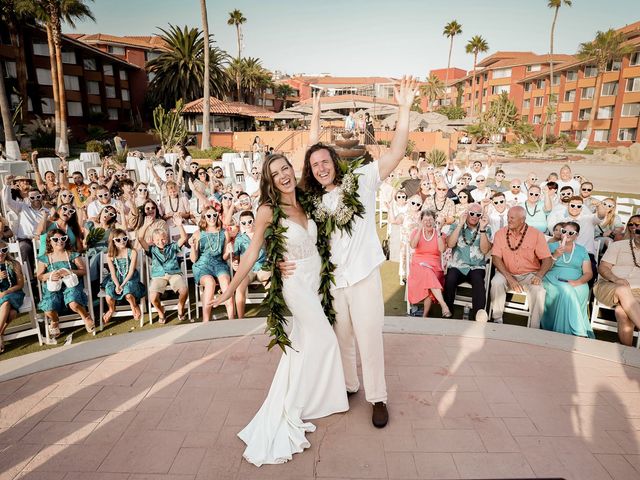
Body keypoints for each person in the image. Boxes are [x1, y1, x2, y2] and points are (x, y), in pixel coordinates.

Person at [296, 76, 419, 428]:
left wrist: (405, 109)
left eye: (325, 161)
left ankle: (378, 397)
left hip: (364, 276)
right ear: (311, 170)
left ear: (335, 161)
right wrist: (315, 115)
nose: (321, 167)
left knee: (369, 337)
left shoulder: (361, 180)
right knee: (341, 338)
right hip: (334, 282)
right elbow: (310, 145)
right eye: (315, 164)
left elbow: (396, 153)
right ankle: (350, 385)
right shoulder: (312, 199)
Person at [210, 154, 348, 466]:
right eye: (275, 173)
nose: (283, 175)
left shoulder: (305, 199)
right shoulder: (266, 210)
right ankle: (302, 404)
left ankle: (315, 398)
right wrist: (230, 289)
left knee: (301, 345)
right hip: (296, 283)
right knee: (324, 339)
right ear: (268, 181)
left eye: (286, 168)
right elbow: (252, 253)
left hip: (316, 278)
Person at [490, 206, 553, 327]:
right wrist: (510, 279)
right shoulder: (500, 234)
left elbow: (547, 259)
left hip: (529, 275)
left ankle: (534, 327)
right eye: (508, 217)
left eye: (512, 218)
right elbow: (496, 258)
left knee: (539, 290)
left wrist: (539, 276)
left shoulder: (536, 234)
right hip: (506, 273)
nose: (509, 220)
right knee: (496, 282)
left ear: (522, 220)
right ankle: (497, 319)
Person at [36, 229, 93, 337]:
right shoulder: (45, 258)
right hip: (53, 287)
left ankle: (86, 316)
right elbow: (39, 276)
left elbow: (83, 271)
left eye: (63, 238)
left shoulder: (72, 255)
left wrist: (68, 272)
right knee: (48, 308)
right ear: (50, 241)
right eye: (55, 239)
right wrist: (50, 275)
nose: (60, 241)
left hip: (71, 285)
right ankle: (55, 321)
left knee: (74, 304)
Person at [540, 221, 594, 337]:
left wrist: (578, 282)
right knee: (566, 289)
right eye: (564, 231)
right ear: (561, 232)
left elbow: (588, 273)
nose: (567, 234)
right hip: (553, 278)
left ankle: (570, 328)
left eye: (571, 232)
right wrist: (555, 255)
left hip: (577, 280)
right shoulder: (551, 246)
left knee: (580, 289)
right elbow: (544, 268)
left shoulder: (582, 250)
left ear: (576, 235)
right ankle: (578, 331)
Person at [594, 216, 640, 346]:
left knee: (622, 312)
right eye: (637, 230)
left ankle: (627, 350)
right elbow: (603, 268)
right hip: (610, 286)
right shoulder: (618, 246)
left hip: (637, 291)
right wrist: (616, 279)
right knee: (623, 289)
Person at [443, 203, 492, 321]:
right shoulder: (455, 225)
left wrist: (483, 230)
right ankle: (447, 311)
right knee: (450, 279)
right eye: (472, 213)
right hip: (457, 266)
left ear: (481, 216)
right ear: (466, 213)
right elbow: (450, 244)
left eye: (478, 214)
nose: (474, 216)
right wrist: (460, 224)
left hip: (476, 267)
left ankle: (478, 316)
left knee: (478, 281)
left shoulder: (486, 228)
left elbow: (485, 250)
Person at [138, 215, 189, 324]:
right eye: (158, 240)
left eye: (163, 239)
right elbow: (140, 239)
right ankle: (161, 311)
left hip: (174, 273)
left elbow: (184, 238)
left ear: (167, 238)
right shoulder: (151, 250)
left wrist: (180, 225)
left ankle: (180, 307)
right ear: (153, 240)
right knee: (153, 297)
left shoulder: (172, 247)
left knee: (184, 290)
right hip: (158, 275)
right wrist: (146, 225)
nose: (161, 241)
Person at [190, 205, 234, 322]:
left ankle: (232, 319)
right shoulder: (198, 233)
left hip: (219, 263)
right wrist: (192, 247)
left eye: (214, 215)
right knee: (210, 283)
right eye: (208, 215)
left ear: (218, 216)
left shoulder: (224, 233)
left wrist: (229, 251)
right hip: (203, 265)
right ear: (204, 217)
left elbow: (224, 256)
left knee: (225, 281)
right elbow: (193, 259)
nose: (212, 218)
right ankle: (206, 321)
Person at [407, 210, 451, 318]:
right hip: (418, 265)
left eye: (430, 219)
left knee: (429, 276)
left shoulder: (440, 234)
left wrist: (439, 233)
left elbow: (442, 249)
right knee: (427, 273)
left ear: (434, 220)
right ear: (421, 221)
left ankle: (425, 315)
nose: (428, 222)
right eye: (425, 220)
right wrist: (419, 229)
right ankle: (443, 305)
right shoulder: (416, 232)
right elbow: (413, 245)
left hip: (434, 266)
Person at [102, 229, 145, 324]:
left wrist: (123, 284)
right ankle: (111, 309)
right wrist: (117, 285)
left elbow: (131, 271)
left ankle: (134, 305)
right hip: (117, 278)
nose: (122, 241)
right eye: (118, 240)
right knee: (108, 295)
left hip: (131, 278)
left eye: (124, 238)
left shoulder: (132, 252)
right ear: (113, 241)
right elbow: (113, 274)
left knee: (128, 294)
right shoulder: (110, 255)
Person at [2, 181, 46, 274]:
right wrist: (7, 184)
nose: (35, 199)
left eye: (38, 197)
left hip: (41, 239)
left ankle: (44, 275)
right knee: (24, 248)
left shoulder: (47, 211)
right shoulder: (22, 207)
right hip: (25, 239)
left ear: (41, 196)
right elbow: (7, 202)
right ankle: (30, 279)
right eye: (32, 197)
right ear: (28, 198)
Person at [232, 211, 270, 318]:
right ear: (240, 224)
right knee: (239, 287)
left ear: (254, 221)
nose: (247, 224)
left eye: (249, 221)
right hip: (247, 269)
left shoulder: (262, 234)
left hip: (262, 266)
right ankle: (240, 318)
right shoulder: (239, 239)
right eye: (243, 223)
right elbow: (236, 256)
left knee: (270, 284)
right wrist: (234, 263)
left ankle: (274, 314)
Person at [0, 242, 26, 354]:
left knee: (6, 302)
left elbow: (20, 285)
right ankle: (1, 334)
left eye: (4, 250)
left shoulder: (14, 264)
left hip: (14, 293)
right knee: (12, 314)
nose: (1, 254)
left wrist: (7, 291)